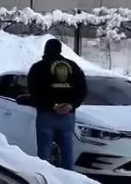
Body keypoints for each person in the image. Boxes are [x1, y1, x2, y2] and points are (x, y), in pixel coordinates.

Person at [26, 39, 87, 170]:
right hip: (68, 115)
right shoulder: (73, 66)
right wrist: (71, 105)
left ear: (45, 49)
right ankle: (68, 178)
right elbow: (82, 90)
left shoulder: (39, 67)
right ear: (60, 50)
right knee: (67, 150)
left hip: (46, 114)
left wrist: (51, 106)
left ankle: (46, 177)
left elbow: (34, 91)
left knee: (44, 150)